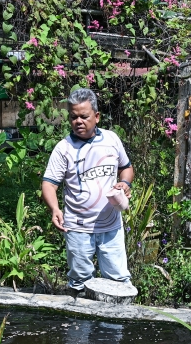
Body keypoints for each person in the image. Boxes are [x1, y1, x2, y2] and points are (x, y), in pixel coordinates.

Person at [42, 88, 135, 296]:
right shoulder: (63, 148)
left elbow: (127, 168)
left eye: (84, 116)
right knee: (80, 283)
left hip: (111, 226)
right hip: (77, 228)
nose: (78, 122)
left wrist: (124, 183)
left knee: (119, 282)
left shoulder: (111, 140)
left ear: (97, 116)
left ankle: (114, 327)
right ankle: (82, 327)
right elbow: (49, 184)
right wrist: (55, 209)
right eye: (74, 117)